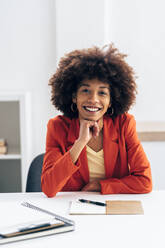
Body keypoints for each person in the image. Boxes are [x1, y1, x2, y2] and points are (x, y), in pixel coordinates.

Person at [41, 44, 152, 197]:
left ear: (111, 100)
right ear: (74, 96)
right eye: (85, 90)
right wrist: (80, 142)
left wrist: (102, 186)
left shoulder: (124, 124)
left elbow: (144, 181)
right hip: (71, 210)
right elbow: (49, 188)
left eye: (102, 93)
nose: (93, 99)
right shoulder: (57, 127)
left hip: (113, 208)